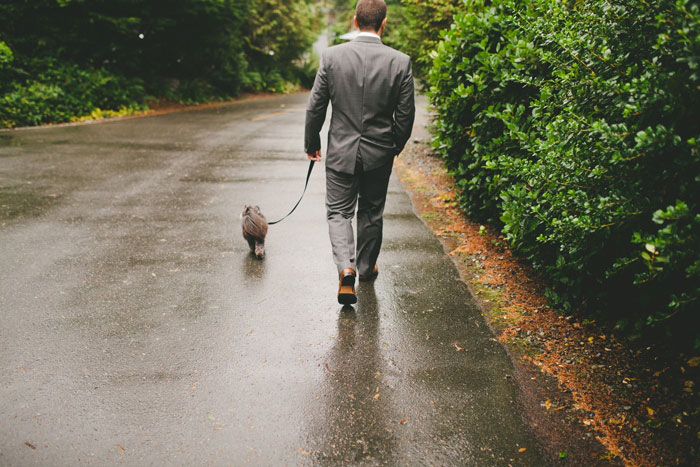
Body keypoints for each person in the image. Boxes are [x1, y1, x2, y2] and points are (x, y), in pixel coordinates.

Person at [304, 0, 415, 305]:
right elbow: (405, 117)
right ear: (384, 24)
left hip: (341, 151)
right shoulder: (400, 62)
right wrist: (392, 146)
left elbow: (315, 106)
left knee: (339, 212)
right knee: (370, 210)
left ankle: (346, 268)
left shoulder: (332, 57)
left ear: (354, 21)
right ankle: (365, 269)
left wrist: (312, 142)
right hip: (379, 154)